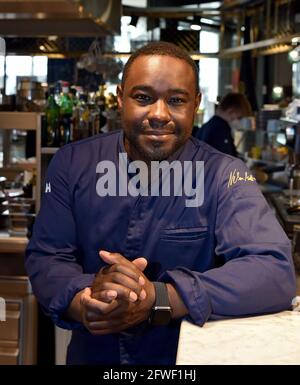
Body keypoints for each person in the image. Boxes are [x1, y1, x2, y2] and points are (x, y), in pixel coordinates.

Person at [25, 42, 296, 365]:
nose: (159, 114)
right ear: (121, 96)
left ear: (195, 104)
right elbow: (47, 257)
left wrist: (161, 297)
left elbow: (274, 270)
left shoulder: (224, 175)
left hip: (182, 359)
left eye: (176, 100)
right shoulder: (72, 164)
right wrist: (84, 299)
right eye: (143, 98)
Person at [196, 92, 252, 156]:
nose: (239, 122)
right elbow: (225, 161)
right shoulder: (220, 130)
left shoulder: (207, 126)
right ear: (231, 111)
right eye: (239, 118)